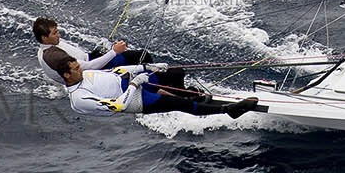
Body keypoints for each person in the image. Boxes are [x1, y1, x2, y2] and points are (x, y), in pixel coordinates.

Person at [40, 47, 263, 119]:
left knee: (176, 72)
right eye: (76, 68)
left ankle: (189, 95)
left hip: (134, 82)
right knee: (178, 104)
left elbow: (116, 71)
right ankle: (229, 111)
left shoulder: (82, 75)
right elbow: (118, 106)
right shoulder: (78, 99)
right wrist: (136, 84)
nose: (82, 69)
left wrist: (146, 68)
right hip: (134, 99)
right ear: (67, 76)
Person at [31, 16, 145, 86]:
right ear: (44, 38)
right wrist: (114, 52)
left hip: (89, 59)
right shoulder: (54, 56)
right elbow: (89, 67)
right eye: (54, 33)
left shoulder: (48, 45)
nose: (58, 35)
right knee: (142, 55)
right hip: (94, 72)